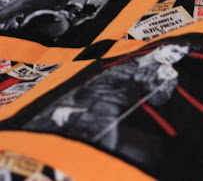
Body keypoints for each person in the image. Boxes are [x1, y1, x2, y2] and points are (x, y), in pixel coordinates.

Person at [24, 43, 190, 151]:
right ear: (161, 46)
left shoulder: (167, 74)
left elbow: (158, 100)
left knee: (103, 150)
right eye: (174, 50)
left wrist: (161, 80)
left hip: (106, 113)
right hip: (76, 100)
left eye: (181, 55)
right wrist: (68, 104)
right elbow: (85, 80)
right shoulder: (125, 54)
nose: (175, 57)